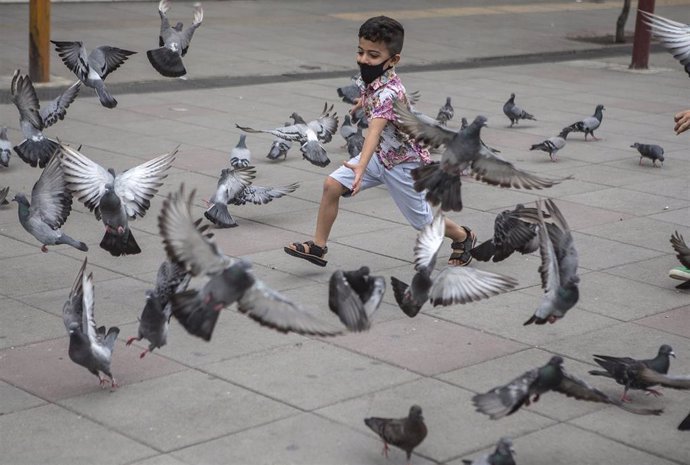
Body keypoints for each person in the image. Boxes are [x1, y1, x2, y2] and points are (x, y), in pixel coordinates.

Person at [284, 15, 475, 267]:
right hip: (381, 156)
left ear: (393, 60)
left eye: (373, 56)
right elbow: (372, 94)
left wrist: (361, 166)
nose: (364, 59)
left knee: (424, 223)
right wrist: (363, 101)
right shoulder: (374, 78)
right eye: (360, 52)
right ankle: (318, 247)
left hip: (405, 165)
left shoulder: (389, 93)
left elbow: (373, 132)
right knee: (331, 185)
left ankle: (463, 236)